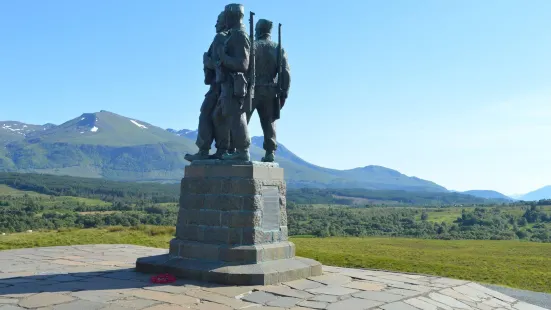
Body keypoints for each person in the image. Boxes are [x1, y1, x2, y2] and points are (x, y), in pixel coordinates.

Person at [185, 12, 230, 161]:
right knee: (215, 116)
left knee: (209, 115)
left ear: (225, 23)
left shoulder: (220, 38)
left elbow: (218, 64)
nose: (215, 25)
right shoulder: (231, 38)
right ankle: (216, 149)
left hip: (220, 86)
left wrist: (206, 61)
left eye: (218, 21)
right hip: (222, 86)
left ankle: (209, 150)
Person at [246, 19, 290, 162]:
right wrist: (284, 93)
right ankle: (270, 151)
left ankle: (241, 148)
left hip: (251, 90)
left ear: (258, 30)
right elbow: (285, 73)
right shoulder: (278, 48)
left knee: (243, 120)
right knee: (269, 123)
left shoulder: (252, 46)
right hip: (271, 91)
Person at [214, 3, 252, 161]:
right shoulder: (233, 34)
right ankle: (223, 150)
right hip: (227, 84)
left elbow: (243, 64)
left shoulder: (239, 35)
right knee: (218, 116)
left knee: (236, 116)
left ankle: (243, 150)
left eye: (227, 16)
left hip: (234, 83)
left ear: (232, 16)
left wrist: (223, 58)